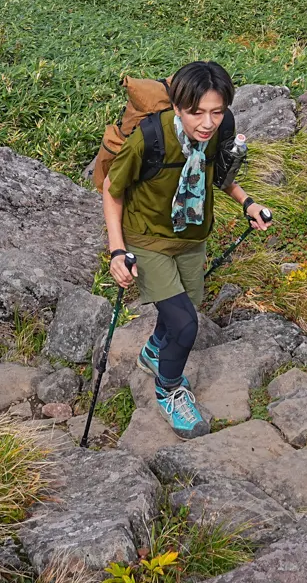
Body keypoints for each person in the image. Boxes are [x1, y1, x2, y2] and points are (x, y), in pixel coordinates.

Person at [101, 60, 272, 438]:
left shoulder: (221, 129)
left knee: (180, 305)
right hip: (147, 239)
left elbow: (220, 176)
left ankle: (152, 353)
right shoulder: (150, 137)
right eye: (196, 112)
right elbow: (112, 191)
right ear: (177, 107)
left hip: (192, 236)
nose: (207, 123)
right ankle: (169, 389)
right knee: (185, 322)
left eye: (216, 111)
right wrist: (117, 251)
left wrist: (247, 203)